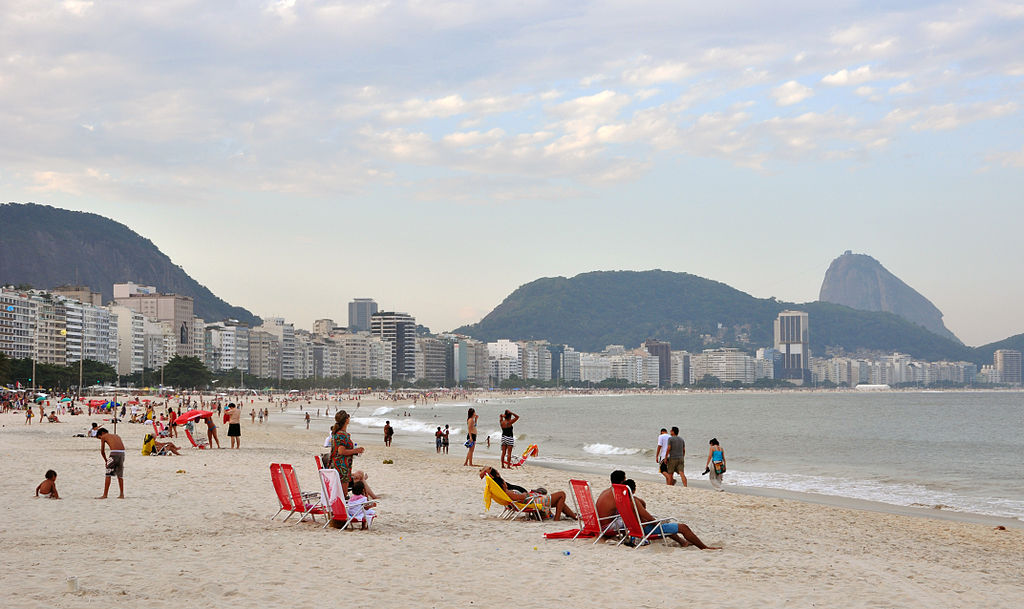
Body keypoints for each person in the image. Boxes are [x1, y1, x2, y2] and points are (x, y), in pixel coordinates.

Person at [622, 479, 719, 549]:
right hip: (646, 529)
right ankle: (704, 547)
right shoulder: (634, 502)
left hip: (635, 529)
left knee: (667, 526)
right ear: (634, 490)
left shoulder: (623, 502)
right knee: (683, 528)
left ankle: (683, 542)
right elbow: (649, 518)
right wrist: (658, 523)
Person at [328, 410, 363, 495]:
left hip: (339, 466)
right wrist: (356, 450)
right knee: (343, 493)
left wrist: (353, 452)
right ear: (346, 420)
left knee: (340, 492)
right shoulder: (342, 435)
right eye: (348, 416)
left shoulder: (337, 433)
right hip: (341, 467)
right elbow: (341, 451)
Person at [96, 428, 125, 499]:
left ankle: (105, 495)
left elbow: (102, 451)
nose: (101, 439)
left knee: (108, 474)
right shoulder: (117, 436)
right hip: (122, 453)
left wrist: (106, 460)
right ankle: (121, 494)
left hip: (114, 453)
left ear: (102, 433)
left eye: (99, 438)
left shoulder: (104, 436)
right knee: (120, 475)